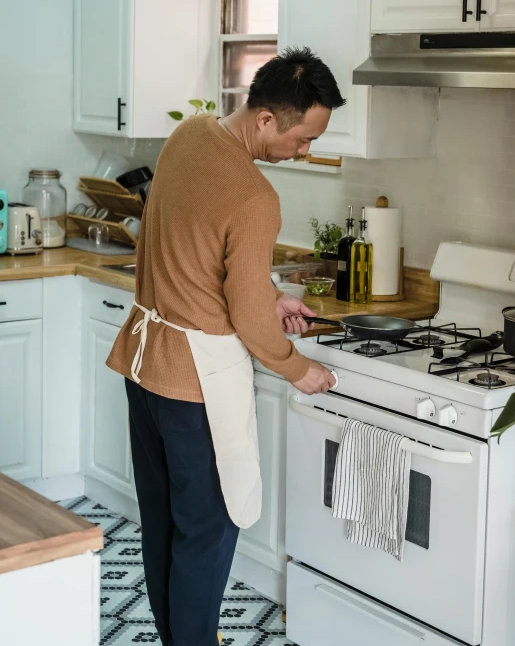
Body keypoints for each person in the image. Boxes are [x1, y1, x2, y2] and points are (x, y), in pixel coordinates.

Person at [106, 46, 346, 646]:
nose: (305, 150)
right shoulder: (256, 198)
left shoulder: (190, 134)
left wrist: (269, 292)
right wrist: (299, 369)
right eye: (303, 138)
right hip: (195, 388)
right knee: (209, 533)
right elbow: (246, 319)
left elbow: (198, 245)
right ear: (266, 118)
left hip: (144, 367)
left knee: (164, 526)